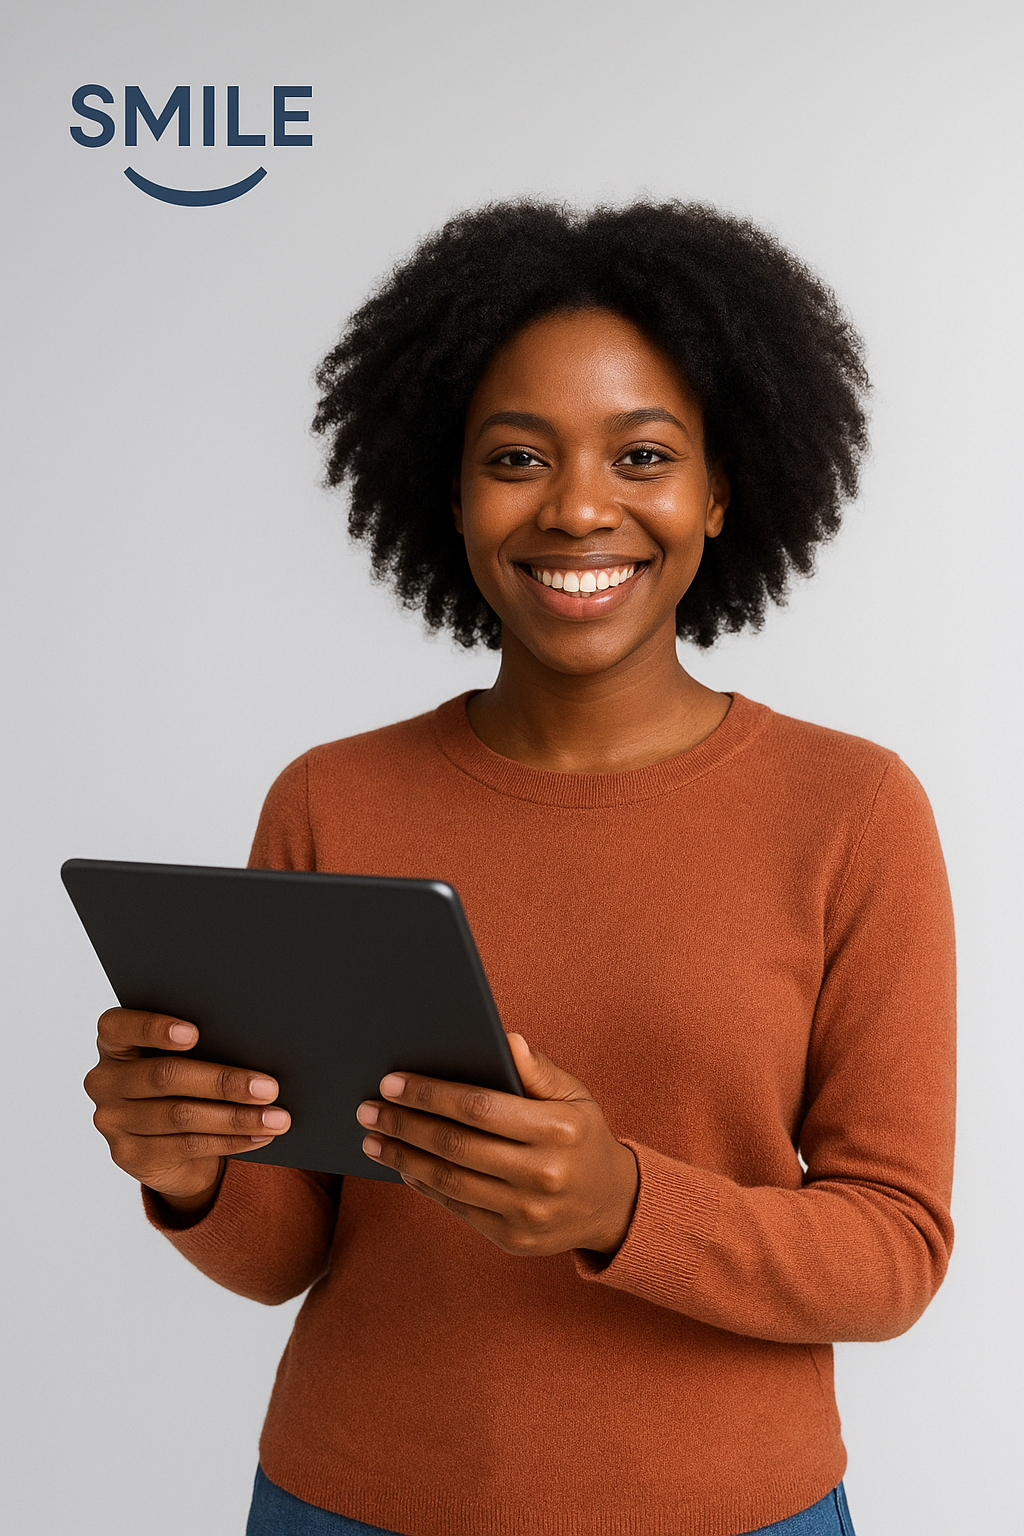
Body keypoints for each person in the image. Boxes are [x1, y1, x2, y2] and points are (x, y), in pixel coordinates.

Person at [84, 201, 955, 1536]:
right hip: (348, 1501)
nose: (581, 507)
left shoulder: (853, 809)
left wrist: (623, 1205)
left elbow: (893, 1256)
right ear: (446, 486)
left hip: (733, 1512)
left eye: (645, 454)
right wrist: (189, 1170)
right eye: (517, 456)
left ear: (724, 489)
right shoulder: (331, 798)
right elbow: (285, 1254)